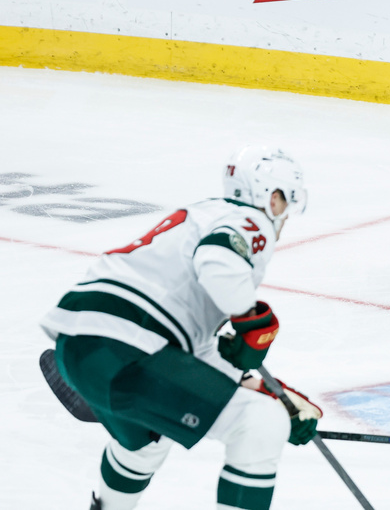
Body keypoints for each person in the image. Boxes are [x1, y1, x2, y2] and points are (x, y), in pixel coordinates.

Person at [39, 146, 322, 510]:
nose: (285, 216)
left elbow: (195, 354)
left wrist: (276, 394)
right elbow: (217, 260)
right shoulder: (252, 221)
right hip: (127, 345)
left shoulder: (201, 215)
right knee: (260, 423)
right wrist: (252, 319)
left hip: (84, 342)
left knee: (149, 439)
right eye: (286, 202)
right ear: (271, 196)